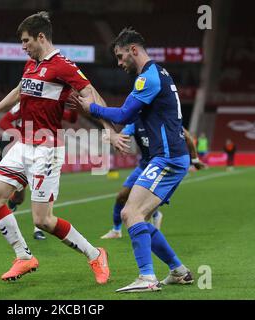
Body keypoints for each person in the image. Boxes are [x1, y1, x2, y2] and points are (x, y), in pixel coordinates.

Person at [0, 11, 110, 284]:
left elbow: (89, 92)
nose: (23, 47)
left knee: (43, 221)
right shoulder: (31, 64)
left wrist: (107, 128)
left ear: (41, 37)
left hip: (47, 148)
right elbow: (20, 90)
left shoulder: (63, 66)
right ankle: (23, 256)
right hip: (24, 143)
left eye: (25, 41)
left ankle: (95, 254)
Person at [71, 27, 194, 292]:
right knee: (141, 217)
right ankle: (178, 270)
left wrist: (90, 108)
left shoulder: (147, 78)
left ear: (133, 50)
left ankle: (147, 278)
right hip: (169, 156)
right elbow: (135, 116)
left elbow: (125, 114)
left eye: (120, 55)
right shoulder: (159, 73)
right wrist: (116, 135)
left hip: (168, 158)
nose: (119, 62)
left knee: (130, 212)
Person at [100, 123, 205, 239]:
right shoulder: (136, 122)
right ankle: (116, 230)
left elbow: (188, 137)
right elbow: (123, 135)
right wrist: (114, 138)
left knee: (144, 206)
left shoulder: (165, 119)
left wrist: (195, 160)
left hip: (162, 165)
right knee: (121, 196)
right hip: (144, 165)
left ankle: (151, 226)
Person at [0, 103, 79, 240]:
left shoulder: (52, 105)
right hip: (24, 151)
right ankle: (13, 202)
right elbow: (4, 121)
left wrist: (75, 107)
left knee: (41, 189)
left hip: (45, 152)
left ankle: (38, 227)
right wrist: (21, 138)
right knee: (19, 197)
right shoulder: (23, 104)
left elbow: (71, 118)